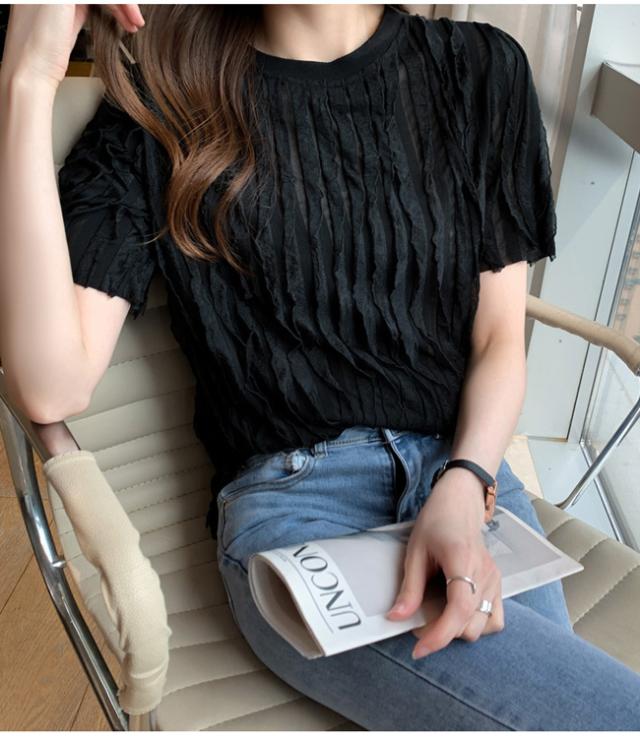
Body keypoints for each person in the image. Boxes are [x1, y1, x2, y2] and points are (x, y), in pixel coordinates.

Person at [1, 3, 639, 731]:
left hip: (468, 480)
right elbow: (50, 386)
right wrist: (27, 78)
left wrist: (466, 481)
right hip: (298, 511)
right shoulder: (164, 105)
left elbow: (499, 339)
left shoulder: (480, 70)